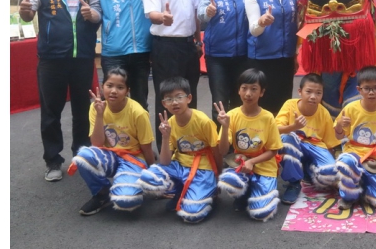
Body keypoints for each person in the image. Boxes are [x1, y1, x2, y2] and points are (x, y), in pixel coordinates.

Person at [19, 0, 101, 182]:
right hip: (51, 58)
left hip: (83, 56)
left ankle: (81, 154)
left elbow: (98, 13)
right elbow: (28, 14)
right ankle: (53, 161)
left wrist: (92, 16)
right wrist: (24, 12)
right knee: (51, 111)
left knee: (81, 109)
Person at [139, 77, 229, 223]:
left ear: (189, 98)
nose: (174, 102)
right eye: (169, 99)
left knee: (192, 215)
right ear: (163, 104)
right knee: (148, 178)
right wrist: (166, 137)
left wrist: (217, 176)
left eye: (179, 97)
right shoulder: (170, 124)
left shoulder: (203, 121)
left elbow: (217, 151)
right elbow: (165, 162)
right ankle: (181, 191)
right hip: (180, 165)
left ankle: (207, 192)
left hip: (202, 169)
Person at [70, 68, 155, 216]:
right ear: (103, 86)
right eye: (109, 86)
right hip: (110, 156)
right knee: (82, 156)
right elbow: (96, 145)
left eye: (120, 87)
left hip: (133, 159)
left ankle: (131, 182)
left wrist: (154, 178)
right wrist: (100, 115)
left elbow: (147, 148)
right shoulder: (96, 107)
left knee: (126, 201)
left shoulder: (138, 112)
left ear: (127, 90)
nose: (114, 91)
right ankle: (102, 193)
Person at [142, 0, 201, 149]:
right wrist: (163, 18)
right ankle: (167, 149)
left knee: (188, 95)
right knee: (167, 99)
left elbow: (195, 13)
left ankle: (190, 145)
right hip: (165, 47)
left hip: (189, 46)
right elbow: (151, 13)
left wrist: (198, 42)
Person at [92, 0, 153, 112]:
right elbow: (96, 10)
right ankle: (112, 140)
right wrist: (91, 13)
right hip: (113, 51)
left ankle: (140, 140)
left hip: (142, 49)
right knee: (113, 100)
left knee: (140, 101)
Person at [217, 69, 283, 221]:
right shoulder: (231, 115)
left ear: (261, 92)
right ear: (238, 90)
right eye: (244, 88)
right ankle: (244, 193)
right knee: (228, 179)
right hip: (240, 163)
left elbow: (274, 150)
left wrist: (252, 161)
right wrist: (225, 126)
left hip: (264, 165)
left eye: (254, 89)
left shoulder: (267, 117)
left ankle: (252, 191)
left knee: (261, 213)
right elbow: (223, 151)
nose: (248, 93)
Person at [334, 66, 376, 210]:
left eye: (375, 88)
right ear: (359, 90)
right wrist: (339, 125)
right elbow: (338, 136)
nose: (371, 92)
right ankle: (350, 196)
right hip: (354, 152)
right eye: (367, 88)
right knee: (346, 162)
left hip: (374, 156)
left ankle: (362, 185)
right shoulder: (350, 108)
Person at [197, 0, 250, 121]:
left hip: (242, 55)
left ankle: (237, 141)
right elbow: (201, 13)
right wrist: (208, 11)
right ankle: (220, 143)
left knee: (239, 99)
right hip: (217, 56)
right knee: (219, 101)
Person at [244, 0, 298, 115]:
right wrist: (261, 22)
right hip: (262, 58)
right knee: (264, 105)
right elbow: (254, 31)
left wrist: (295, 53)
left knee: (284, 103)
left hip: (286, 58)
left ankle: (281, 139)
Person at [276, 73, 340, 205]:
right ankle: (294, 182)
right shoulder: (289, 105)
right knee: (286, 138)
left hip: (315, 146)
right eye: (309, 92)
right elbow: (275, 130)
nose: (313, 96)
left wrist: (331, 167)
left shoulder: (324, 113)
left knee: (329, 174)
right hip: (295, 143)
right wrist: (294, 126)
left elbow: (329, 144)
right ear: (300, 92)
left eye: (318, 93)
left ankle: (308, 169)